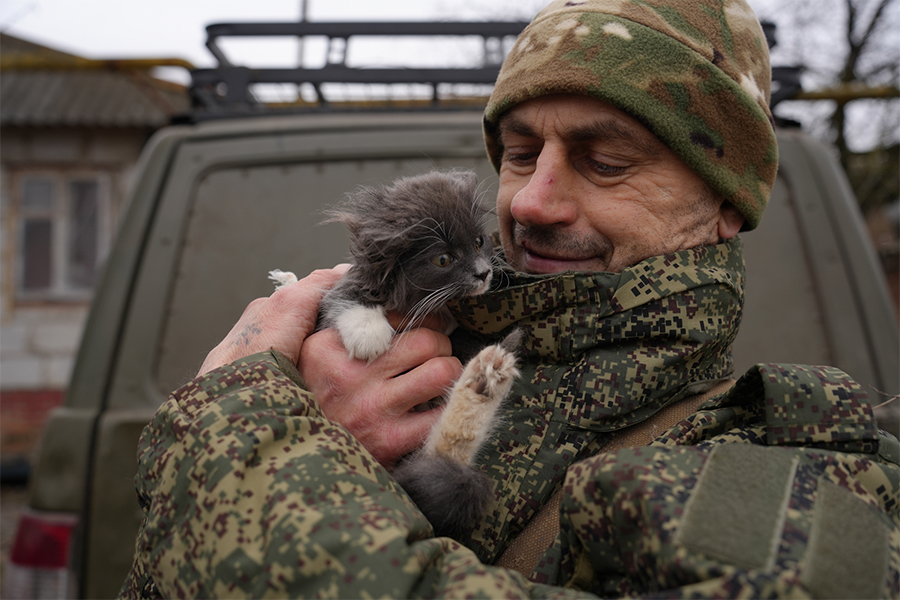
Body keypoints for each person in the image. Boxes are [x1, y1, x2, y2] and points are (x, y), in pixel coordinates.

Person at [120, 1, 898, 598]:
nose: (530, 203)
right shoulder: (395, 352)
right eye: (521, 155)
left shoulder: (801, 460)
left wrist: (240, 439)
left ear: (726, 205)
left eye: (607, 161)